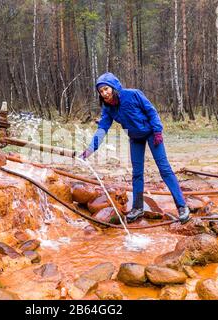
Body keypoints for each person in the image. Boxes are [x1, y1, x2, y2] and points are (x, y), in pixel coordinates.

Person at [79, 72, 190, 224]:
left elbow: (151, 111)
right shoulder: (107, 108)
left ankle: (182, 206)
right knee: (137, 174)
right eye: (101, 91)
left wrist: (157, 130)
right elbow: (102, 129)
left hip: (152, 134)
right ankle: (138, 208)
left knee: (164, 169)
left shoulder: (133, 95)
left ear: (113, 87)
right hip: (135, 138)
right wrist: (90, 149)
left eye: (106, 89)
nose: (104, 93)